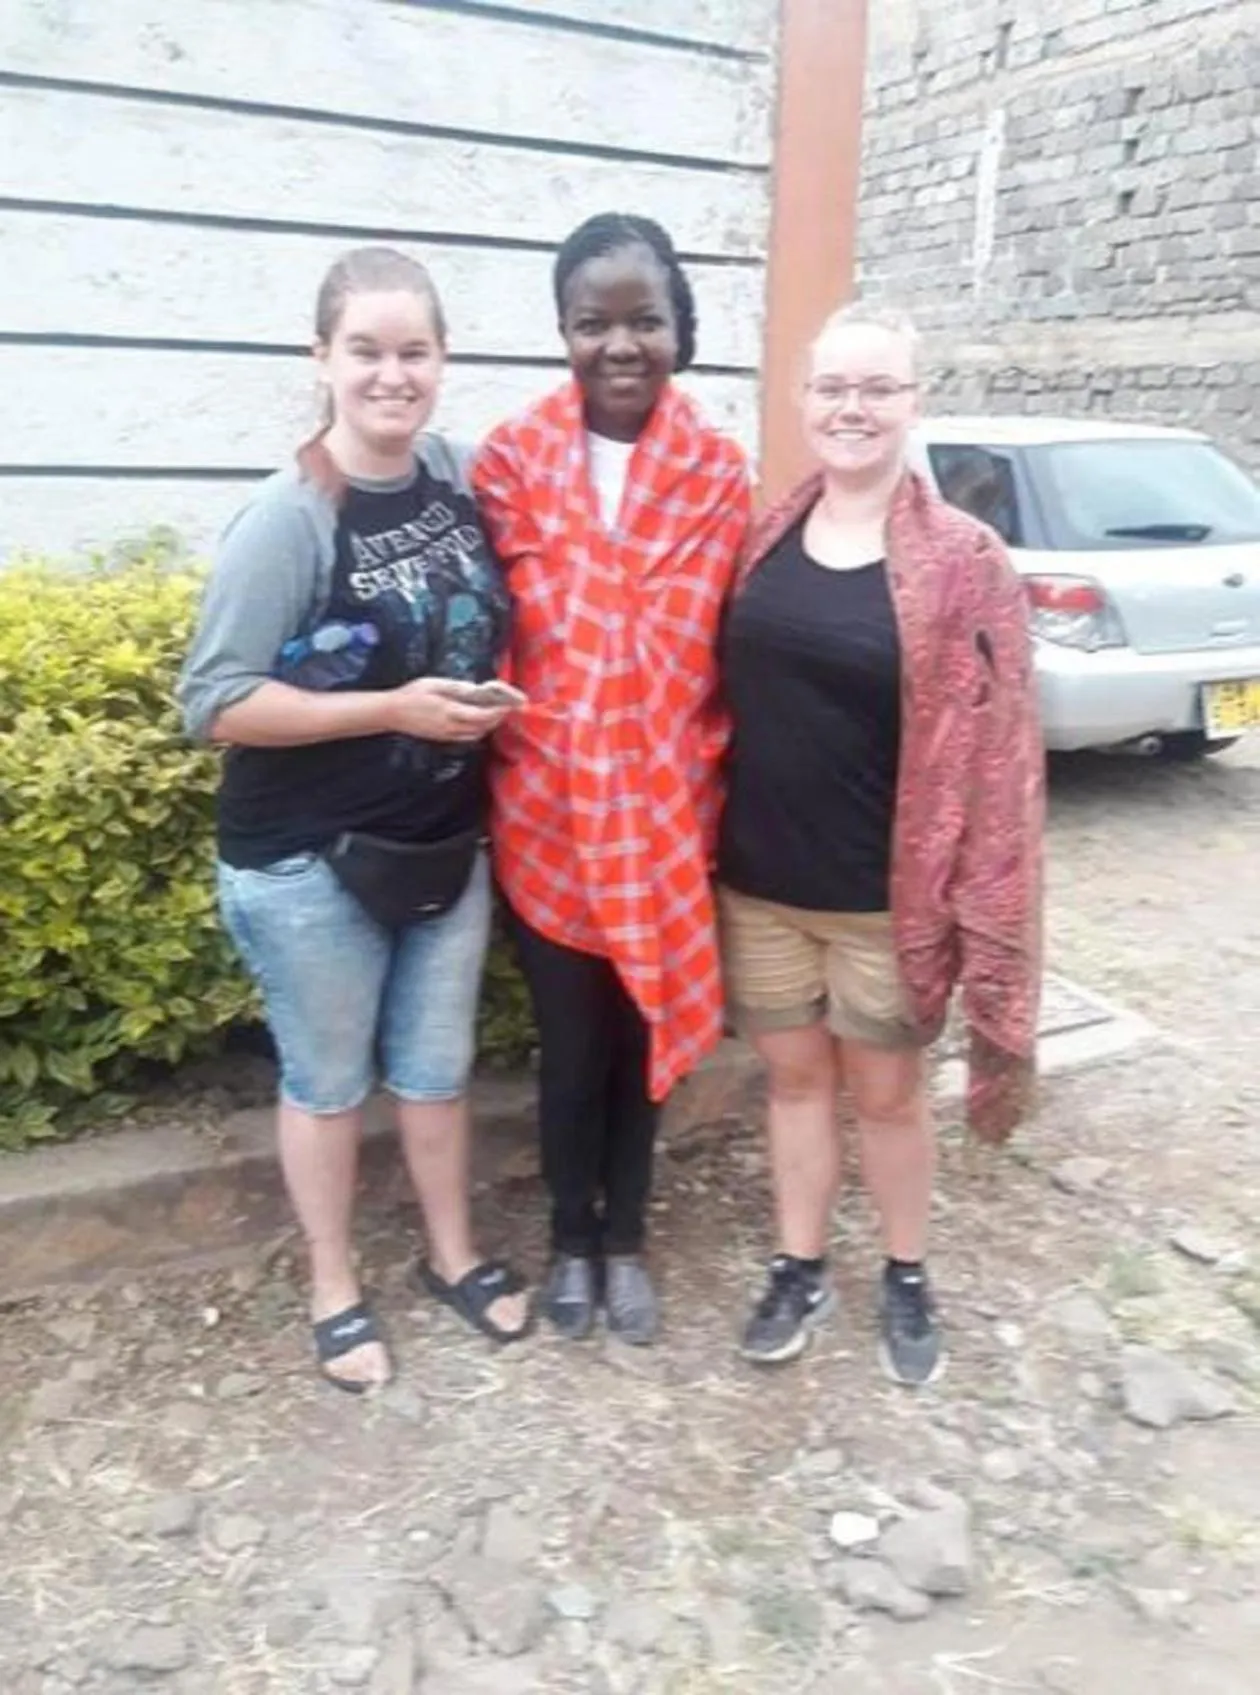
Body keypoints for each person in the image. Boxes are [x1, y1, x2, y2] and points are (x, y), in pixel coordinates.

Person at [178, 246, 531, 1393]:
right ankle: (333, 1286)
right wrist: (390, 708)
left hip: (443, 843)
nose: (392, 375)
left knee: (436, 1071)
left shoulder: (459, 475)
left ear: (442, 359)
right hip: (306, 867)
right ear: (321, 357)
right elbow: (214, 705)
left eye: (413, 351)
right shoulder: (289, 519)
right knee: (329, 1084)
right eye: (366, 350)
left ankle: (452, 1255)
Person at [717, 304, 1043, 1386]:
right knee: (793, 1083)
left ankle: (906, 1270)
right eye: (833, 387)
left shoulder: (965, 561)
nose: (851, 407)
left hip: (882, 900)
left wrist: (984, 901)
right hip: (760, 884)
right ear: (803, 397)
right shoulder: (765, 535)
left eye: (877, 388)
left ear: (913, 402)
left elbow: (1001, 753)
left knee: (889, 1095)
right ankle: (799, 1264)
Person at [472, 213, 752, 1345]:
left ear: (682, 328)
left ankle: (627, 1236)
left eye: (646, 321)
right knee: (573, 1047)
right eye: (594, 323)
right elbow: (490, 630)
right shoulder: (510, 463)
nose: (621, 345)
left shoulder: (720, 477)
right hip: (546, 813)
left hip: (671, 813)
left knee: (642, 1043)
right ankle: (570, 1240)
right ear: (563, 332)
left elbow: (730, 646)